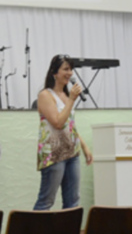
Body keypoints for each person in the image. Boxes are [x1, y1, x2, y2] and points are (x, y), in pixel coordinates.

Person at [34, 54, 94, 210]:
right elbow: (58, 123)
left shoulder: (67, 95)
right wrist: (72, 100)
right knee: (46, 200)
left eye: (71, 69)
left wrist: (84, 146)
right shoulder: (45, 95)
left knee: (73, 201)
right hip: (54, 154)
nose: (70, 73)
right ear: (54, 72)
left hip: (72, 152)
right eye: (65, 69)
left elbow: (70, 125)